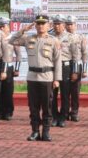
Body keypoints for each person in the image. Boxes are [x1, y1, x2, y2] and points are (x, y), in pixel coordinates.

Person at [9, 14, 61, 142]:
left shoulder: (53, 40)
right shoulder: (28, 38)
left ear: (48, 25)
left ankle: (46, 132)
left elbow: (57, 60)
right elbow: (11, 40)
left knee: (47, 107)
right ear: (35, 25)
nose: (40, 26)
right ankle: (35, 131)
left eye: (43, 23)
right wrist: (24, 30)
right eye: (38, 23)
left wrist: (56, 79)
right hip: (32, 77)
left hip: (47, 77)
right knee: (33, 107)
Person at [50, 14, 80, 127]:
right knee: (52, 94)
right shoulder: (49, 36)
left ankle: (62, 117)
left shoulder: (71, 37)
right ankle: (54, 116)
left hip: (66, 67)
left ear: (64, 25)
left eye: (59, 24)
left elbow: (76, 56)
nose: (57, 26)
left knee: (65, 94)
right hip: (52, 67)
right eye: (55, 24)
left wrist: (75, 71)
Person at [0, 16, 21, 121]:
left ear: (8, 27)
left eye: (4, 26)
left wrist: (17, 69)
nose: (2, 28)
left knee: (8, 91)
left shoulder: (13, 38)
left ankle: (8, 112)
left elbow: (18, 54)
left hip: (9, 67)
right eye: (0, 26)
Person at [65, 15, 88, 122]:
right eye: (68, 24)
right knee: (64, 90)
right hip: (64, 65)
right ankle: (65, 112)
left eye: (71, 24)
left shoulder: (81, 37)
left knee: (75, 91)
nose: (69, 27)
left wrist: (84, 69)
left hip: (76, 65)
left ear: (75, 25)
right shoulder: (61, 37)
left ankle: (74, 112)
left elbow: (85, 53)